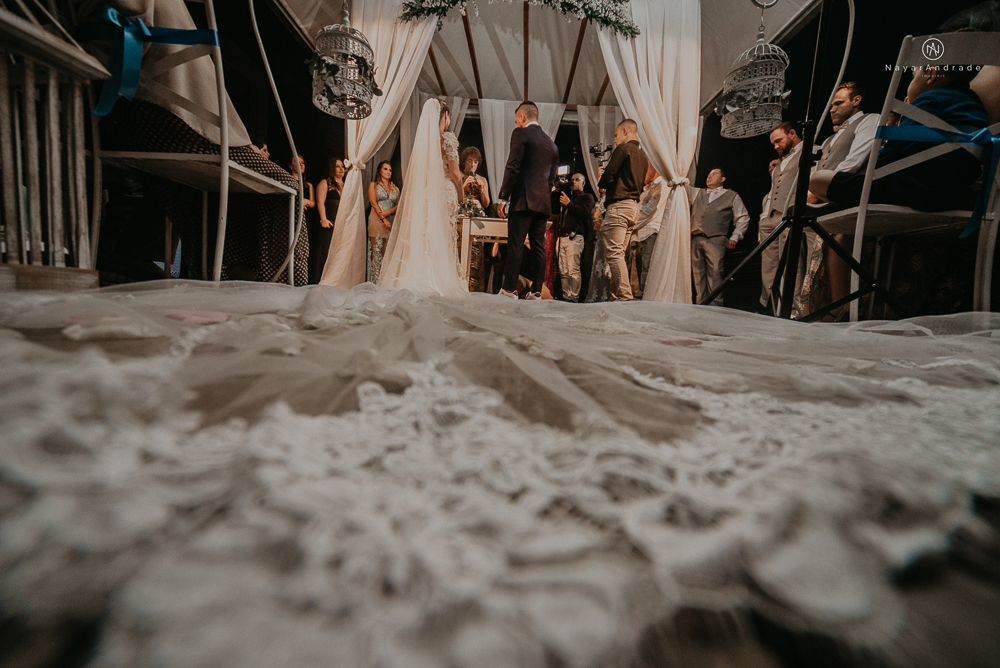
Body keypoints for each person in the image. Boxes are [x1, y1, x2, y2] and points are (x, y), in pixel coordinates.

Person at [79, 0, 309, 284]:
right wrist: (235, 138)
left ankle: (231, 269)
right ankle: (274, 282)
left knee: (203, 187)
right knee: (287, 185)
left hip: (125, 112)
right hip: (169, 119)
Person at [378, 99, 467, 297]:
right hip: (445, 191)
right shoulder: (448, 139)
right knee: (445, 235)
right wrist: (461, 194)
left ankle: (423, 275)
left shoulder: (425, 143)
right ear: (445, 116)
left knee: (428, 233)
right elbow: (454, 173)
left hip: (429, 192)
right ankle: (441, 278)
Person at [497, 101, 560, 300]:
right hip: (543, 203)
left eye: (516, 120)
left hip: (523, 199)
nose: (516, 124)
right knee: (538, 247)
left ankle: (509, 289)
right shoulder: (552, 145)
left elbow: (513, 166)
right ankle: (536, 291)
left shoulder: (521, 134)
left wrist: (503, 196)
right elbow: (552, 179)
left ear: (522, 117)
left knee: (515, 244)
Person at [597, 119, 648, 301]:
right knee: (618, 254)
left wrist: (602, 180)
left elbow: (608, 176)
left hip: (619, 206)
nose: (615, 141)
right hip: (633, 208)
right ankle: (616, 296)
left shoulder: (624, 149)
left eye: (616, 135)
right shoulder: (642, 156)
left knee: (614, 254)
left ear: (625, 131)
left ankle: (625, 297)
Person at [688, 168, 750, 306]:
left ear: (722, 179)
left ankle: (716, 307)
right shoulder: (698, 193)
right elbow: (682, 187)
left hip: (715, 239)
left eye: (714, 174)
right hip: (696, 238)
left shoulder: (731, 196)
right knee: (697, 276)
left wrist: (735, 237)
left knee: (715, 275)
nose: (709, 177)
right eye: (708, 175)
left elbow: (743, 218)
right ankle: (700, 305)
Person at [759, 121, 802, 310]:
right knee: (768, 267)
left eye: (779, 141)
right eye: (773, 144)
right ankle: (772, 308)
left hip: (790, 215)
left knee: (791, 265)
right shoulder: (780, 163)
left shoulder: (810, 152)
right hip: (770, 219)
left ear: (792, 134)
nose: (776, 146)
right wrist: (763, 218)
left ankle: (792, 309)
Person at [628, 166, 668, 300]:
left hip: (651, 230)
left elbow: (648, 211)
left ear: (655, 169)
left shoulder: (662, 185)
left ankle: (647, 294)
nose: (643, 172)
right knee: (638, 266)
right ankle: (639, 292)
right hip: (639, 233)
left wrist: (630, 224)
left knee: (648, 265)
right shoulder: (646, 188)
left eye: (647, 168)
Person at [556, 173, 595, 302]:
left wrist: (569, 204)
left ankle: (574, 297)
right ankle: (566, 296)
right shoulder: (567, 198)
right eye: (572, 180)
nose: (574, 182)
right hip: (562, 236)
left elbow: (584, 213)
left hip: (575, 237)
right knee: (564, 270)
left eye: (577, 180)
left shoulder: (587, 197)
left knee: (573, 269)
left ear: (584, 183)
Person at [367, 161, 399, 283]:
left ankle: (387, 282)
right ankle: (376, 283)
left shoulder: (395, 188)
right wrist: (383, 218)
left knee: (388, 252)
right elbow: (373, 203)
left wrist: (389, 212)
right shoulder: (373, 185)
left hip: (391, 220)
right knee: (377, 252)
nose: (388, 172)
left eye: (390, 170)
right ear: (380, 171)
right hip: (377, 219)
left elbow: (398, 205)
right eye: (385, 169)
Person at [313, 158, 344, 284]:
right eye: (338, 166)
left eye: (342, 166)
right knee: (326, 252)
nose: (341, 169)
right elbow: (320, 202)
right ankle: (321, 281)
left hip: (342, 225)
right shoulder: (325, 183)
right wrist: (324, 219)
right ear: (332, 168)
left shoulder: (347, 185)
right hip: (329, 223)